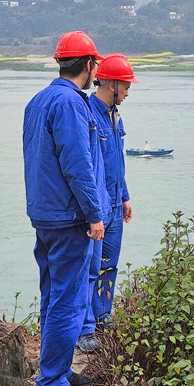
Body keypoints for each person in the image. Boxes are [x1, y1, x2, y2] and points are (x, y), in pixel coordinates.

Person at [23, 30, 109, 386]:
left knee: (52, 296)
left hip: (45, 214)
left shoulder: (39, 100)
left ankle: (54, 369)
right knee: (68, 301)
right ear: (88, 65)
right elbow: (78, 165)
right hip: (69, 216)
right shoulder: (72, 104)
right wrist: (95, 214)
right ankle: (52, 378)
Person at [76, 54, 138, 352]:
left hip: (114, 204)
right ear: (112, 84)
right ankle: (85, 329)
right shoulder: (88, 115)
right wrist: (93, 211)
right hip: (98, 208)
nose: (128, 92)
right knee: (89, 269)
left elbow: (117, 163)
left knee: (108, 266)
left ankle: (103, 315)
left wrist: (124, 196)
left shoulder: (115, 117)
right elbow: (86, 167)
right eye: (126, 86)